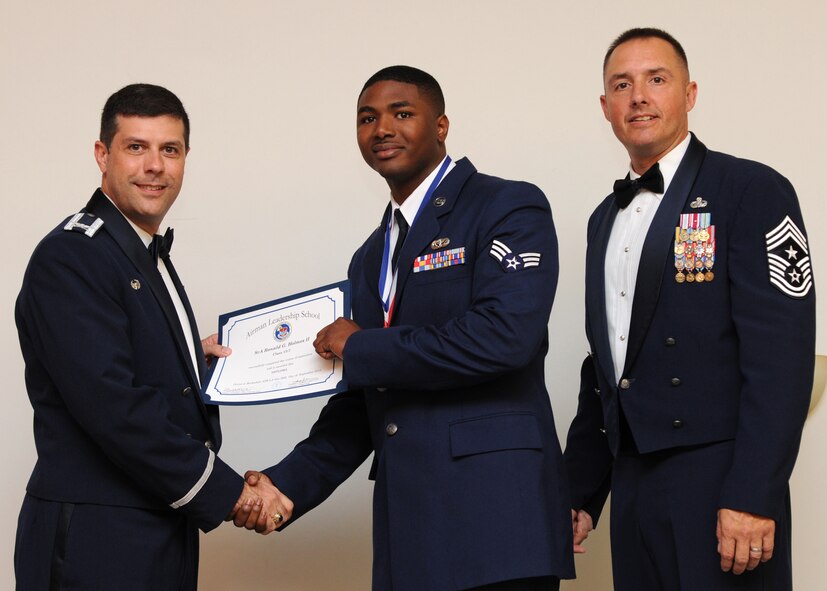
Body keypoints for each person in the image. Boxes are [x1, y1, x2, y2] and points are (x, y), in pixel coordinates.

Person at [242, 65, 574, 590]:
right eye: (367, 118)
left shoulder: (508, 205)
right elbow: (363, 398)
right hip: (411, 530)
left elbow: (505, 338)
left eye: (402, 113)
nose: (382, 129)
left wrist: (363, 345)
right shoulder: (370, 255)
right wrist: (287, 486)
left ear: (440, 126)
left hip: (499, 524)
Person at [563, 28, 815, 590]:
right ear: (605, 107)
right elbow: (605, 368)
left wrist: (753, 494)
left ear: (690, 93)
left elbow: (782, 359)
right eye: (622, 85)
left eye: (657, 79)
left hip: (720, 480)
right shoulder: (603, 220)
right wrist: (579, 490)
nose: (639, 97)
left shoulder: (752, 189)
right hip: (632, 485)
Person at [14, 83, 291, 591]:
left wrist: (189, 359)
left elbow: (123, 360)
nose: (155, 165)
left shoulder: (138, 250)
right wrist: (234, 494)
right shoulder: (74, 255)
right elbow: (114, 406)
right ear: (103, 154)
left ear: (186, 158)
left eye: (170, 149)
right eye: (136, 147)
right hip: (98, 536)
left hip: (155, 522)